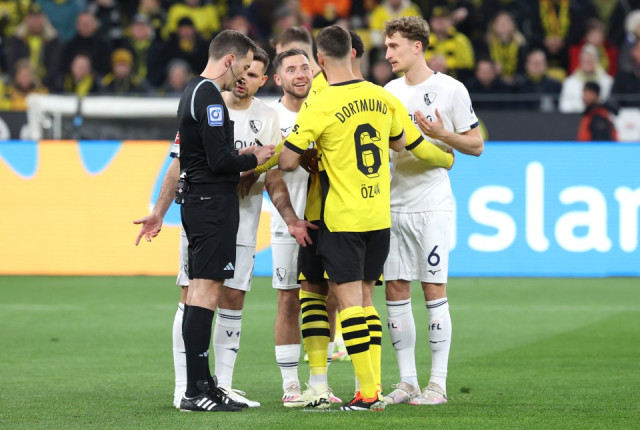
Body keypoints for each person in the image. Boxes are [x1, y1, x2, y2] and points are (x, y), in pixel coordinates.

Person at [278, 24, 450, 412]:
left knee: (345, 301)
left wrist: (300, 152)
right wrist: (447, 158)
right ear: (353, 53)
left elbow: (287, 161)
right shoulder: (383, 95)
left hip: (339, 216)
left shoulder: (320, 102)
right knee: (366, 300)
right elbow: (408, 144)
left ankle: (368, 393)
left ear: (319, 60)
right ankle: (368, 387)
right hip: (378, 217)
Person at [382, 16, 483, 406]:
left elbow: (476, 145)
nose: (388, 53)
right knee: (395, 289)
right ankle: (407, 381)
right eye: (387, 46)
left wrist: (443, 135)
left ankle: (437, 384)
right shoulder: (388, 92)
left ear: (417, 46)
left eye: (394, 46)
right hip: (393, 204)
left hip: (432, 205)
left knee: (433, 288)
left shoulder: (450, 89)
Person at [172, 29, 273, 412]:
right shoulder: (211, 97)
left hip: (199, 202)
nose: (242, 76)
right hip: (211, 205)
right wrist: (254, 157)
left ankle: (203, 384)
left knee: (201, 293)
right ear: (229, 60)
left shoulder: (192, 90)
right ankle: (196, 389)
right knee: (204, 294)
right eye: (243, 67)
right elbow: (219, 161)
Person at [559, 44, 614, 113]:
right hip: (575, 117)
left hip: (600, 116)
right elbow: (564, 107)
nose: (588, 64)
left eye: (590, 61)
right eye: (585, 61)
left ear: (597, 61)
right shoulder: (569, 83)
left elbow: (610, 104)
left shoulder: (608, 82)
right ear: (580, 62)